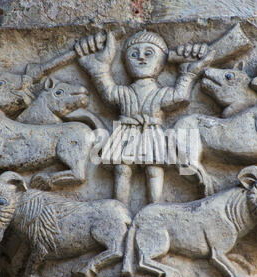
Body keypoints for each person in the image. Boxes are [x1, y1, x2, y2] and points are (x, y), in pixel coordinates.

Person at [76, 30, 214, 206]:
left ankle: (155, 208)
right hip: (126, 132)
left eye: (149, 53)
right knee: (122, 169)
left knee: (154, 169)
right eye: (134, 54)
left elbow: (179, 96)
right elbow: (109, 94)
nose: (142, 58)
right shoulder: (125, 92)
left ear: (162, 61)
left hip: (151, 132)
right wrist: (99, 70)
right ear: (125, 62)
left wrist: (188, 74)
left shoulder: (160, 93)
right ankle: (119, 208)